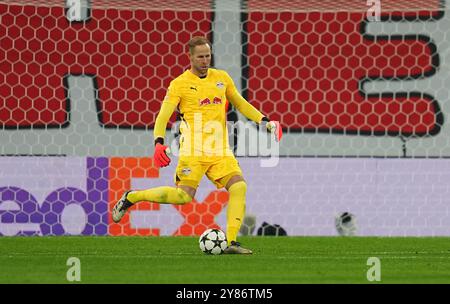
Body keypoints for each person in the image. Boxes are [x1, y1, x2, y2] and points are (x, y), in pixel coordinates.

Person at [112, 36, 282, 254]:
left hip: (220, 149)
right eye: (200, 56)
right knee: (183, 196)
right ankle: (132, 197)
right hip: (193, 149)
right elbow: (163, 117)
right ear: (190, 57)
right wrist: (158, 143)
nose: (205, 60)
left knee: (239, 186)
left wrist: (265, 122)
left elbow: (240, 103)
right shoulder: (179, 84)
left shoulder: (221, 78)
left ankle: (231, 242)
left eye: (208, 56)